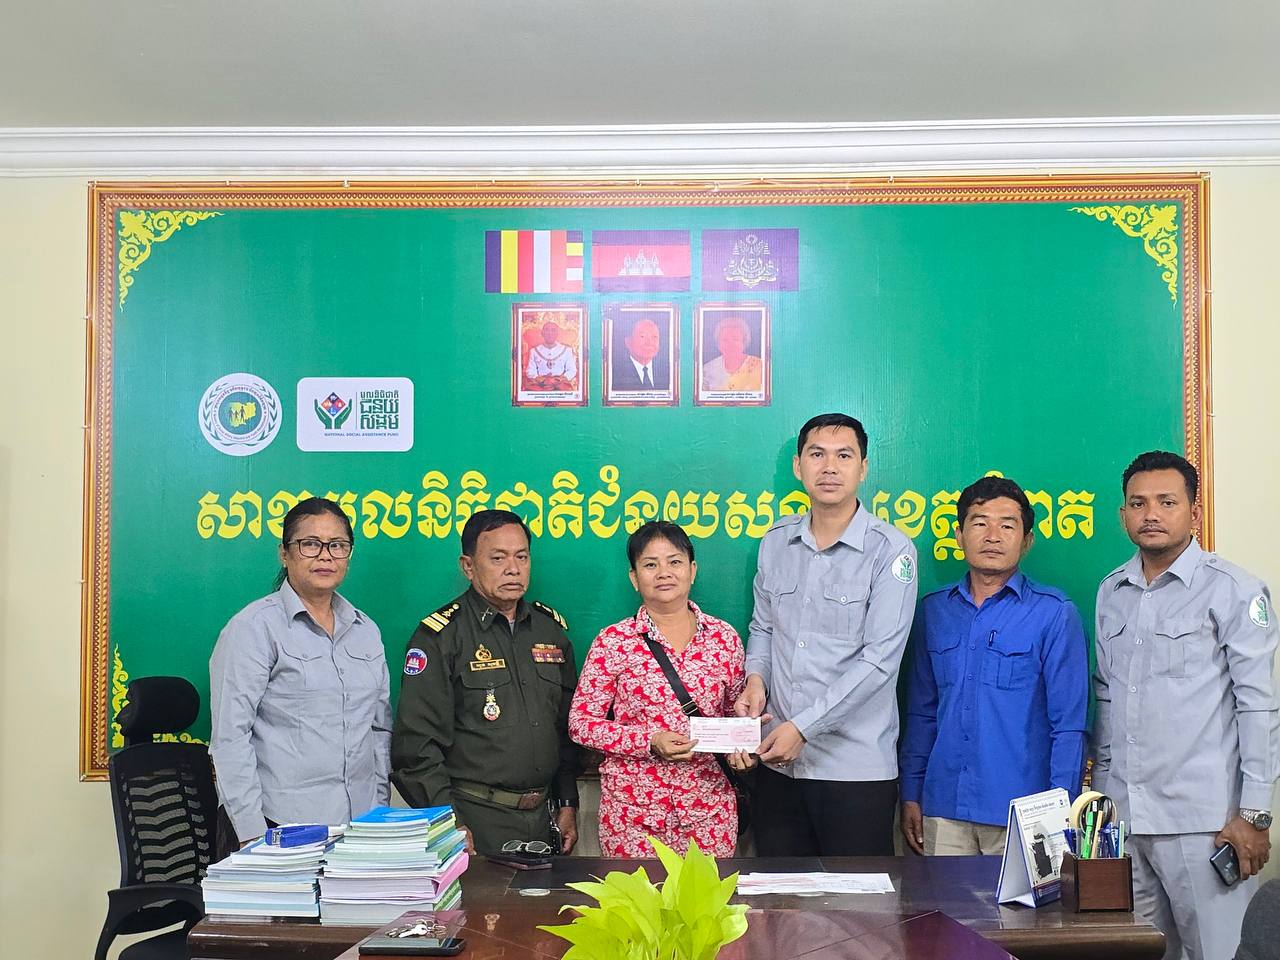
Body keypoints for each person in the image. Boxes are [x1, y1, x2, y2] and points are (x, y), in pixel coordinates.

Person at [1094, 451, 1278, 960]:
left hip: (1205, 823)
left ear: (1193, 511)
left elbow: (1259, 707)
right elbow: (1106, 695)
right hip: (1126, 821)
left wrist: (1255, 814)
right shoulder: (1112, 591)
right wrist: (1104, 803)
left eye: (1167, 502)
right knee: (1135, 953)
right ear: (1123, 515)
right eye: (1138, 503)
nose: (1151, 514)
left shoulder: (1234, 590)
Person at [734, 413, 918, 856]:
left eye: (844, 456)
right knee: (780, 895)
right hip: (777, 767)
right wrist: (755, 679)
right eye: (817, 455)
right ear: (798, 466)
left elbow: (879, 663)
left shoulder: (891, 550)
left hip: (854, 772)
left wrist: (803, 728)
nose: (830, 467)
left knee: (857, 897)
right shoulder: (775, 541)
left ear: (863, 468)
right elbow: (763, 627)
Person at [898, 475, 1088, 856]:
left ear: (1027, 540)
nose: (993, 536)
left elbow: (1069, 725)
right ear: (959, 535)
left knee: (1022, 902)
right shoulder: (933, 611)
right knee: (941, 899)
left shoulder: (1054, 613)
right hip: (943, 807)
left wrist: (1061, 808)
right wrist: (911, 792)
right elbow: (921, 713)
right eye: (980, 523)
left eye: (1007, 525)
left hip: (1024, 812)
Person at [391, 509, 580, 857]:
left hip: (543, 820)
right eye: (498, 558)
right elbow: (416, 747)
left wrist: (567, 802)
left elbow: (566, 730)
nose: (513, 568)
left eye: (522, 557)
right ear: (468, 566)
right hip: (474, 821)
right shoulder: (441, 637)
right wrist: (448, 823)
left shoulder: (549, 630)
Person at [209, 496, 391, 855]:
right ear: (284, 553)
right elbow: (230, 738)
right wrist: (252, 835)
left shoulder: (366, 630)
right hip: (278, 829)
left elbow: (379, 729)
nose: (325, 556)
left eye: (337, 545)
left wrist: (378, 812)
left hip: (358, 828)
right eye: (310, 544)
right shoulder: (253, 628)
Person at [568, 521, 754, 857]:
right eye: (650, 565)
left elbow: (732, 715)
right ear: (634, 577)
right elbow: (581, 723)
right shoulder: (613, 642)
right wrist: (649, 741)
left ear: (692, 570)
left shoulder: (724, 638)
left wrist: (744, 748)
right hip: (633, 817)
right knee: (636, 895)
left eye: (675, 562)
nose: (664, 573)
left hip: (708, 813)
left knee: (706, 894)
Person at [701, 315, 763, 392]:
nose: (730, 344)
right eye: (725, 340)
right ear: (718, 344)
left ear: (744, 342)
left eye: (735, 339)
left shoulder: (760, 366)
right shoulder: (707, 370)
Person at [611, 316, 669, 391]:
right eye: (642, 336)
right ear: (628, 342)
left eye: (654, 337)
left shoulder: (667, 371)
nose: (649, 343)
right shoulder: (615, 374)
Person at [525, 320, 578, 390]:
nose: (550, 333)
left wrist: (558, 380)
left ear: (557, 333)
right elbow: (530, 370)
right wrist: (542, 380)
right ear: (542, 333)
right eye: (547, 330)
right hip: (540, 385)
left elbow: (572, 370)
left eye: (553, 330)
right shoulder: (534, 351)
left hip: (560, 384)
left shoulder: (567, 350)